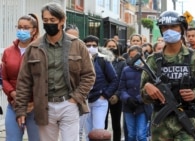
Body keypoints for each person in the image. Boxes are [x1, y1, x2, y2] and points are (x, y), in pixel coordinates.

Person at [15, 2, 96, 141]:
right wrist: (21, 109)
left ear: (62, 20)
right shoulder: (33, 48)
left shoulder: (77, 45)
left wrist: (75, 98)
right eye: (45, 20)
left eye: (53, 20)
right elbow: (24, 81)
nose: (49, 24)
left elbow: (89, 75)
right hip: (44, 105)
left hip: (68, 104)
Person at [140, 11, 195, 141]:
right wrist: (147, 88)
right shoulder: (153, 60)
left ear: (182, 29)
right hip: (160, 125)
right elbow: (143, 96)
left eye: (174, 27)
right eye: (165, 27)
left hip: (186, 120)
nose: (169, 30)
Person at [1, 13, 40, 141]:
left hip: (34, 107)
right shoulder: (8, 52)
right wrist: (14, 95)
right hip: (14, 105)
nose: (22, 30)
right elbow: (4, 78)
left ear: (34, 30)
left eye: (26, 27)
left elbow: (44, 80)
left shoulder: (41, 51)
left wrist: (33, 102)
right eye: (19, 27)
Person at [83, 35, 118, 141]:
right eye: (88, 45)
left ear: (98, 46)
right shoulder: (80, 59)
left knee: (98, 132)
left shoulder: (103, 60)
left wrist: (105, 95)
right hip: (84, 101)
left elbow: (114, 79)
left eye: (94, 45)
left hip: (99, 100)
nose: (91, 48)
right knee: (87, 133)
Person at [119, 45, 151, 141]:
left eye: (136, 57)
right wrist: (127, 98)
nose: (133, 59)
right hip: (128, 107)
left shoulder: (148, 70)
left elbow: (150, 89)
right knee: (131, 135)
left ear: (142, 56)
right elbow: (121, 89)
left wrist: (138, 99)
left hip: (142, 106)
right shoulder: (126, 70)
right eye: (131, 57)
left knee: (141, 135)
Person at [104, 39, 127, 141]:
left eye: (113, 46)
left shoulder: (122, 63)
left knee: (116, 124)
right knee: (102, 124)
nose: (111, 48)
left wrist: (117, 95)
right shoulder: (101, 61)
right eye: (109, 46)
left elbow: (122, 80)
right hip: (103, 96)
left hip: (116, 97)